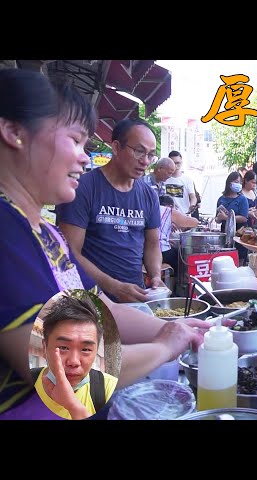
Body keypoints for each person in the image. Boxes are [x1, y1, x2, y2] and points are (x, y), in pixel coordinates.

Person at [0, 69, 208, 419]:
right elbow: (66, 376)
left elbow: (101, 309)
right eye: (75, 139)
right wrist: (162, 347)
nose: (84, 157)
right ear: (14, 132)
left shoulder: (46, 235)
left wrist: (177, 329)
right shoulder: (7, 231)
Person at [57, 118, 167, 303]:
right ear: (116, 147)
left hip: (136, 297)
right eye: (139, 151)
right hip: (90, 300)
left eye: (151, 155)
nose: (145, 161)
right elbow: (70, 253)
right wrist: (113, 286)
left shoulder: (149, 195)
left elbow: (153, 244)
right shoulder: (83, 188)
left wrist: (155, 275)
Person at [33, 292, 118, 420]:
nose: (73, 362)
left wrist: (74, 406)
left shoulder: (110, 389)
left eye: (85, 349)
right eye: (63, 347)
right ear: (44, 348)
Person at [159, 195, 199, 276]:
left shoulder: (151, 209)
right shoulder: (168, 211)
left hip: (143, 251)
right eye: (175, 207)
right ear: (170, 206)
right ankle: (178, 283)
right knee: (181, 259)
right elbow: (194, 222)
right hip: (160, 252)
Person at [167, 150, 197, 215]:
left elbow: (193, 197)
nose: (176, 165)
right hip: (167, 216)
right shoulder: (164, 179)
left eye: (178, 163)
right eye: (173, 163)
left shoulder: (187, 180)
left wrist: (192, 205)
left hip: (184, 215)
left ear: (181, 163)